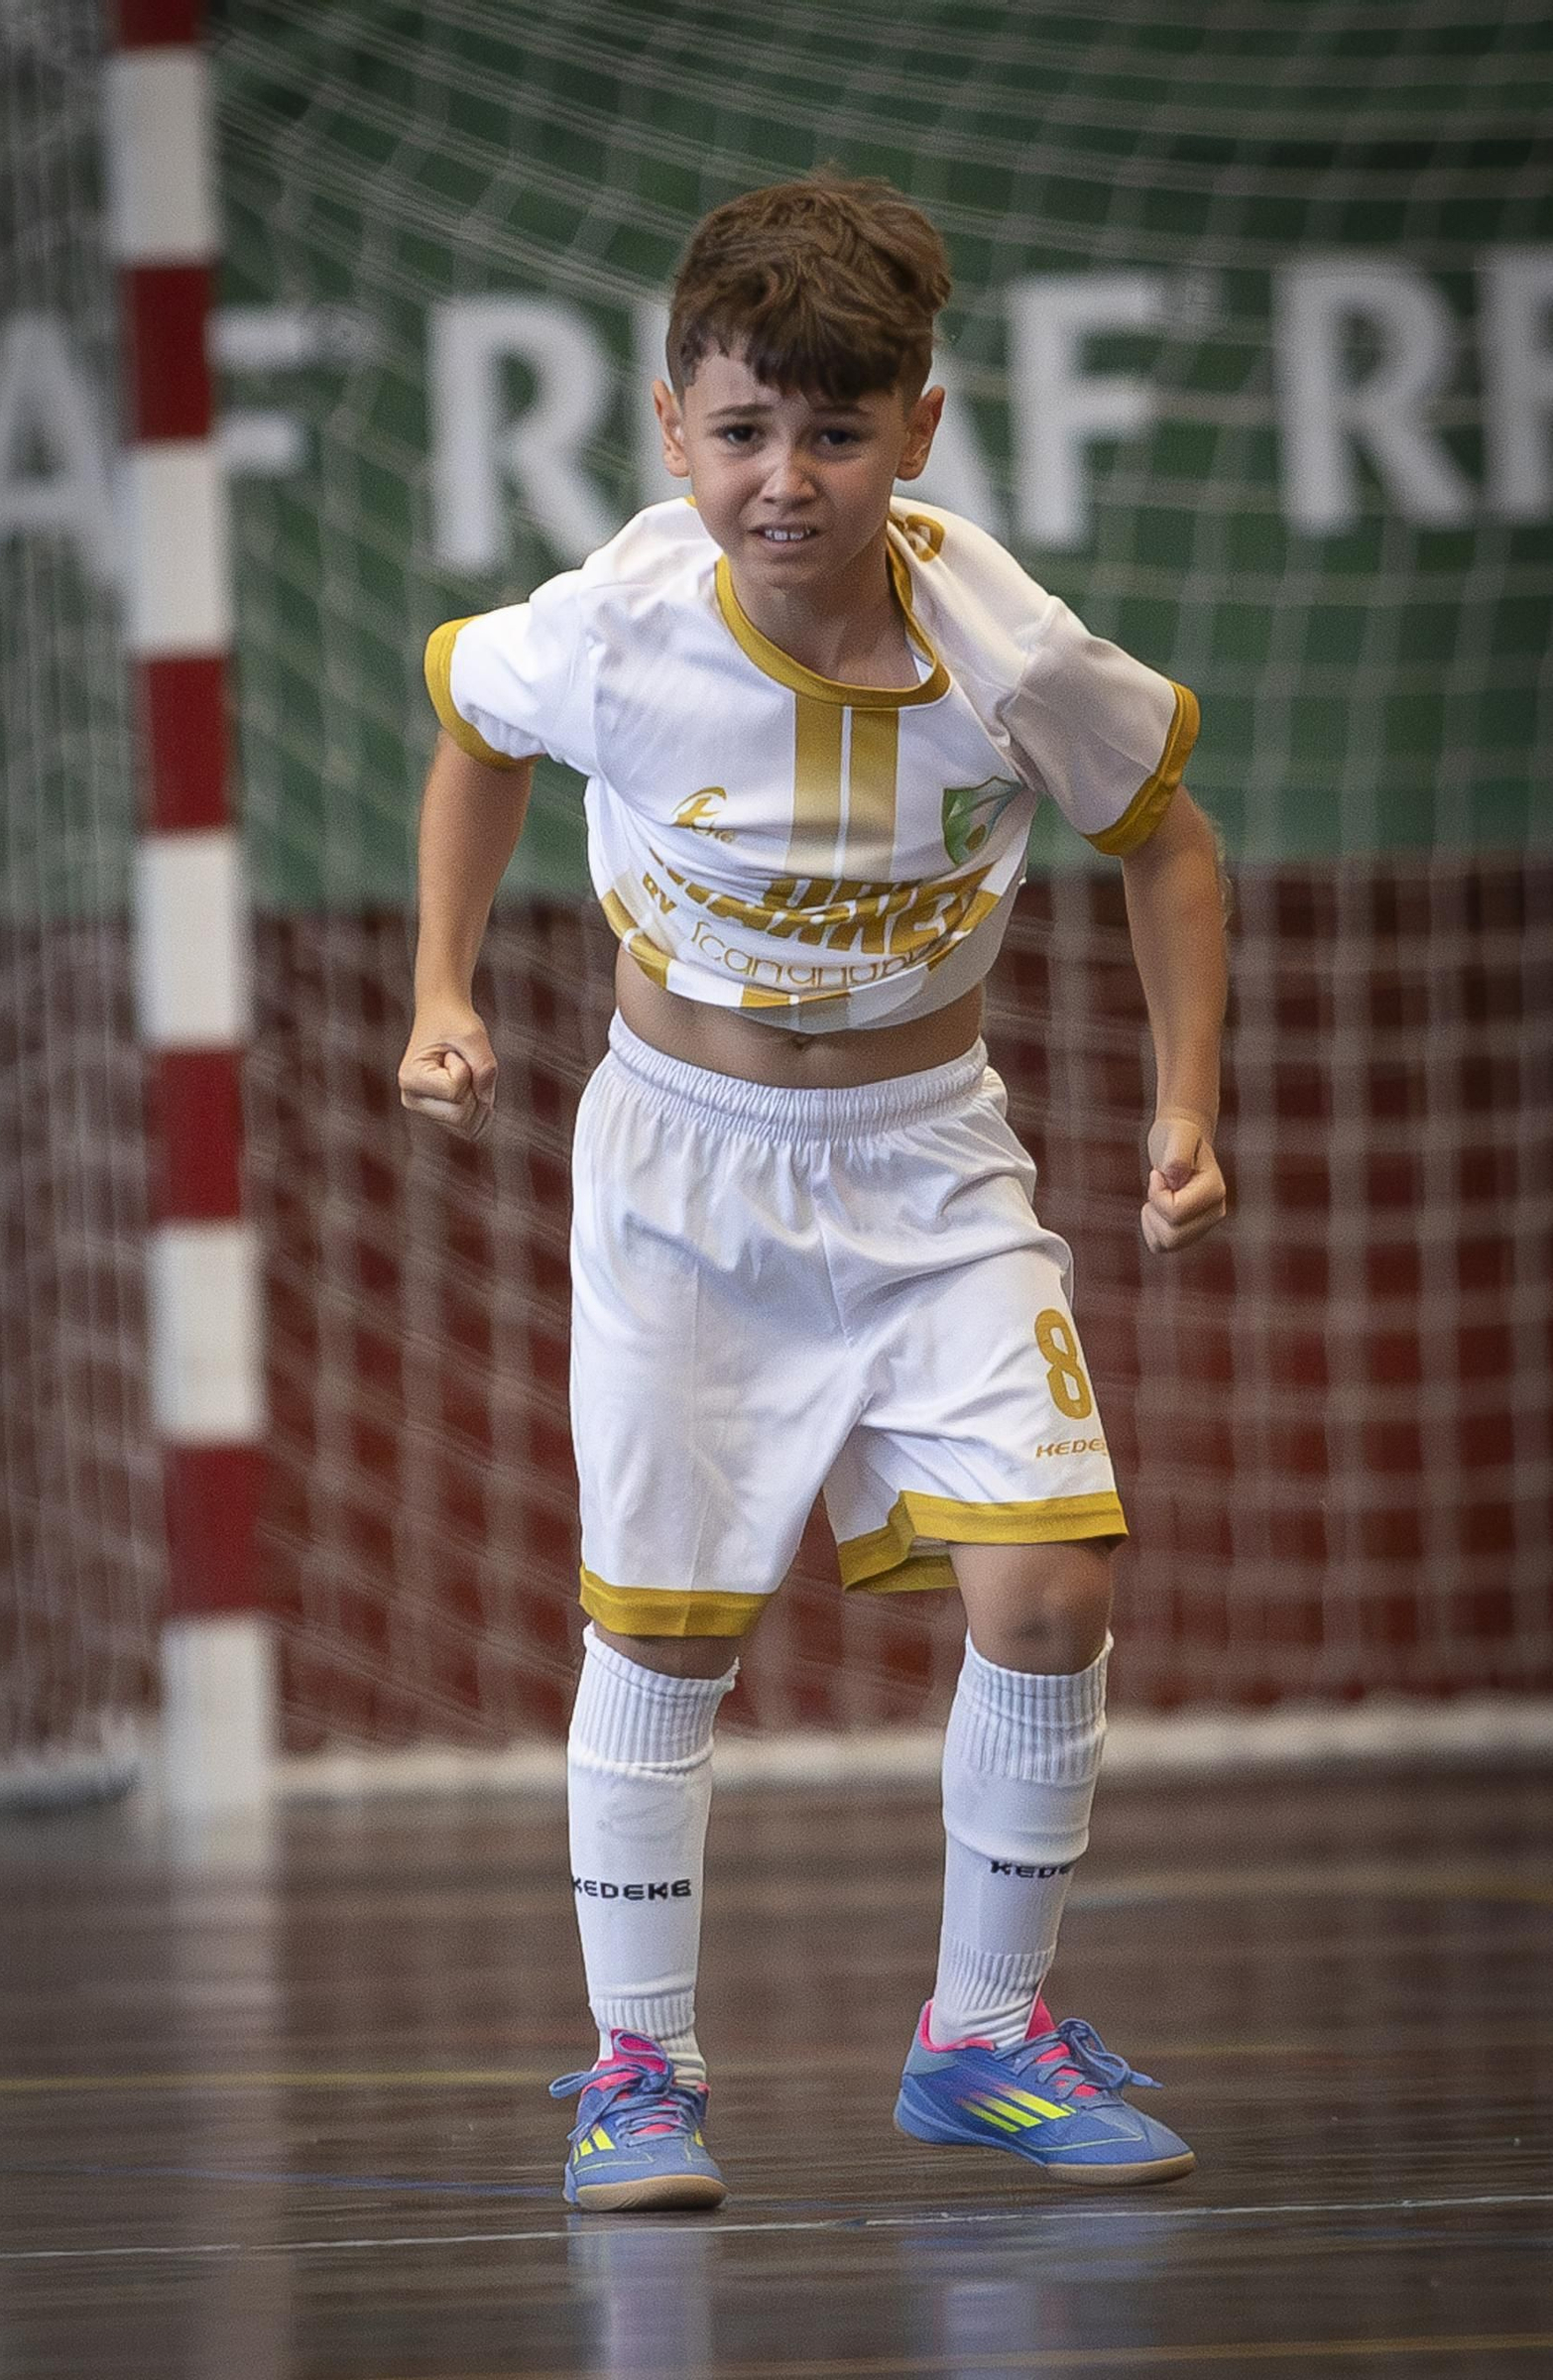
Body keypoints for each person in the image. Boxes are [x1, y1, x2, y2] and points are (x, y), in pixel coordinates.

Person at [401, 175, 1228, 2213]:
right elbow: (477, 735)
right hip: (684, 1177)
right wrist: (440, 991)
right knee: (666, 1634)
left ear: (916, 433)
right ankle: (639, 2073)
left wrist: (1185, 1111)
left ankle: (983, 2037)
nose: (786, 479)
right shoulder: (613, 625)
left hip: (930, 1160)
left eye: (836, 433)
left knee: (1051, 1587)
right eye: (744, 430)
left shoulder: (1001, 643)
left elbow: (1168, 842)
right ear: (670, 428)